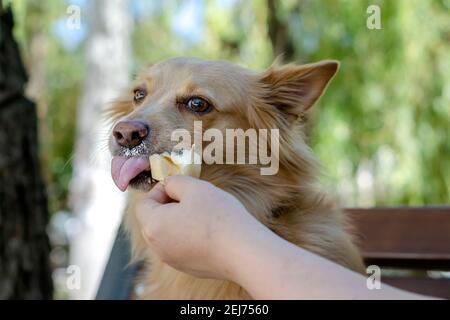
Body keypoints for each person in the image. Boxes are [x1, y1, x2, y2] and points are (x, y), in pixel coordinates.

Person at [135, 176, 432, 300]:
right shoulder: (157, 266)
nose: (133, 123)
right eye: (139, 95)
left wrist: (226, 240)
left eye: (198, 105)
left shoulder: (319, 247)